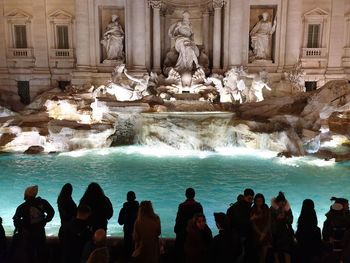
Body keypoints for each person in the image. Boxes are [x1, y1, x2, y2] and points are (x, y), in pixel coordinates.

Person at [12, 185, 55, 263]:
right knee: (41, 250)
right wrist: (45, 221)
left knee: (29, 252)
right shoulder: (43, 202)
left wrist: (21, 229)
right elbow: (51, 212)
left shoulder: (22, 206)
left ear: (26, 194)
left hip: (28, 232)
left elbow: (16, 219)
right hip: (40, 230)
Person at [174, 187, 203, 261]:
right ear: (194, 195)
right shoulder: (198, 206)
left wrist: (177, 231)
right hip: (195, 232)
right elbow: (201, 221)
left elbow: (178, 220)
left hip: (183, 232)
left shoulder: (182, 206)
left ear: (186, 195)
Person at [226, 188, 254, 262]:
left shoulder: (241, 205)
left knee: (241, 253)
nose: (251, 201)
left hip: (238, 233)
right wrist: (251, 220)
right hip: (240, 234)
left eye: (252, 199)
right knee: (241, 253)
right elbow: (239, 221)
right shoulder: (241, 206)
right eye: (249, 198)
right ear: (244, 197)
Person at [270, 191, 294, 263]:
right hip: (276, 232)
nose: (282, 203)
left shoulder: (287, 209)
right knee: (277, 252)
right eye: (280, 202)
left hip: (285, 233)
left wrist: (285, 217)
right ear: (277, 202)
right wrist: (277, 217)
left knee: (286, 251)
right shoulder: (272, 209)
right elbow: (270, 221)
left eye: (283, 202)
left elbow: (291, 220)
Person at [250, 193, 271, 263]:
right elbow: (253, 224)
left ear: (263, 201)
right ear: (255, 201)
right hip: (256, 234)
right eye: (257, 201)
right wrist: (260, 233)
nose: (259, 203)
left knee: (264, 255)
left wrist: (264, 233)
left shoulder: (266, 207)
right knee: (257, 255)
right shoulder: (252, 209)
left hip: (265, 234)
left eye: (260, 201)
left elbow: (269, 221)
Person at [118, 191, 139, 260]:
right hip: (137, 232)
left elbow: (120, 222)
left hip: (127, 232)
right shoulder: (139, 209)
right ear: (135, 198)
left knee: (127, 249)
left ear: (127, 198)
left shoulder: (124, 209)